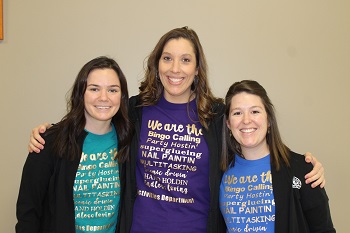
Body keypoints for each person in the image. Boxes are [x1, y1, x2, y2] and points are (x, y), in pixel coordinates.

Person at [27, 27, 325, 233]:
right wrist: (50, 131)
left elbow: (251, 135)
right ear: (157, 65)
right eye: (167, 58)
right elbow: (97, 114)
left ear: (197, 69)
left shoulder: (217, 114)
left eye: (185, 60)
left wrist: (301, 165)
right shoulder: (135, 111)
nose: (175, 69)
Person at [16, 56, 131, 233]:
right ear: (80, 93)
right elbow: (28, 211)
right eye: (94, 89)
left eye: (112, 90)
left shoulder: (129, 140)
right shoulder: (50, 142)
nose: (104, 97)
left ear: (122, 96)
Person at [219, 80, 335, 232]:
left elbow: (323, 229)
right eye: (237, 113)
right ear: (228, 123)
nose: (246, 120)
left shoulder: (301, 170)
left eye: (255, 111)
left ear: (268, 120)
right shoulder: (219, 170)